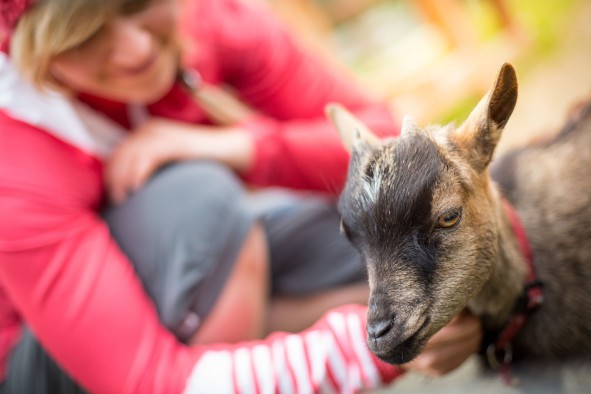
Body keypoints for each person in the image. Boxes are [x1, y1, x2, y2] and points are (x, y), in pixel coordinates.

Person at [0, 0, 483, 392]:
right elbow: (144, 380)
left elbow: (385, 145)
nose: (136, 48)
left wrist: (239, 147)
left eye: (136, 3)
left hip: (184, 286)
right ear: (34, 56)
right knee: (196, 200)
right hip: (53, 362)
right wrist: (366, 352)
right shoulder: (15, 161)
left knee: (389, 243)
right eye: (85, 38)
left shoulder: (207, 19)